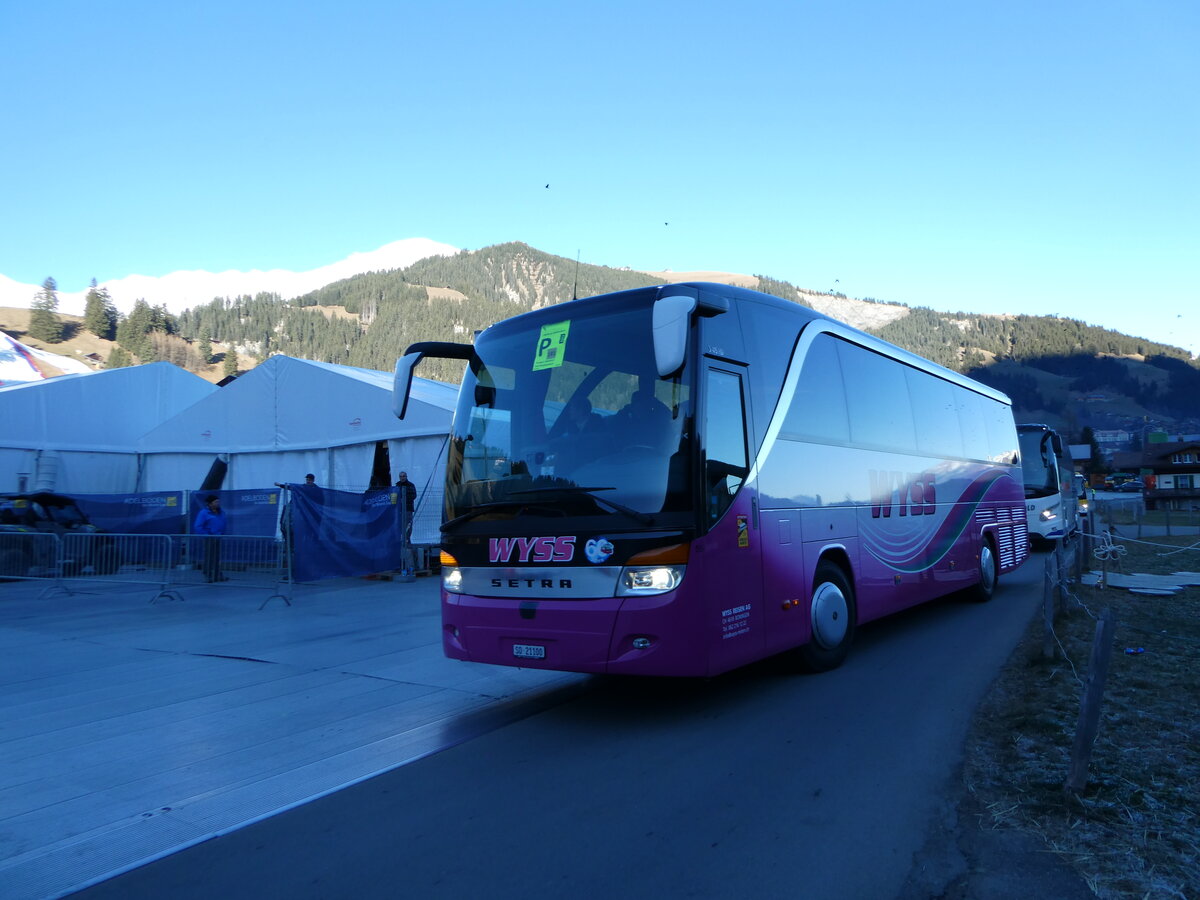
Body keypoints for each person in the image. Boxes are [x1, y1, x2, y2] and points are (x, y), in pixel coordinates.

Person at [194, 494, 228, 582]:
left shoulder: (221, 512)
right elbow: (198, 526)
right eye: (216, 502)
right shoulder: (204, 513)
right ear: (210, 504)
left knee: (217, 557)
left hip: (218, 537)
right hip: (209, 538)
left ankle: (217, 575)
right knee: (209, 557)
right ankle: (208, 575)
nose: (218, 503)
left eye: (218, 501)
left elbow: (223, 523)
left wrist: (222, 533)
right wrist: (206, 534)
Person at [395, 471, 417, 540]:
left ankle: (407, 540)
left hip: (408, 508)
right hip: (399, 509)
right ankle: (400, 540)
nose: (402, 478)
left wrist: (404, 499)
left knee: (408, 525)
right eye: (401, 476)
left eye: (403, 476)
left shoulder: (411, 485)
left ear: (406, 477)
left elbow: (414, 495)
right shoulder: (397, 485)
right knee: (399, 525)